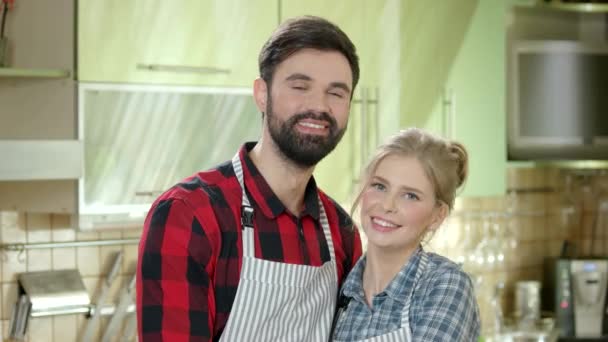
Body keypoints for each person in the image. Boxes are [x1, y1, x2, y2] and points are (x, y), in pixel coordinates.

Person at [136, 15, 363, 342]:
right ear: (261, 94)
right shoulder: (189, 216)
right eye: (300, 86)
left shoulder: (341, 233)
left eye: (336, 93)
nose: (319, 105)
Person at [332, 128, 480, 341]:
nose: (387, 205)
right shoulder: (342, 291)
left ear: (437, 216)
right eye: (380, 186)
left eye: (410, 196)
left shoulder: (444, 285)